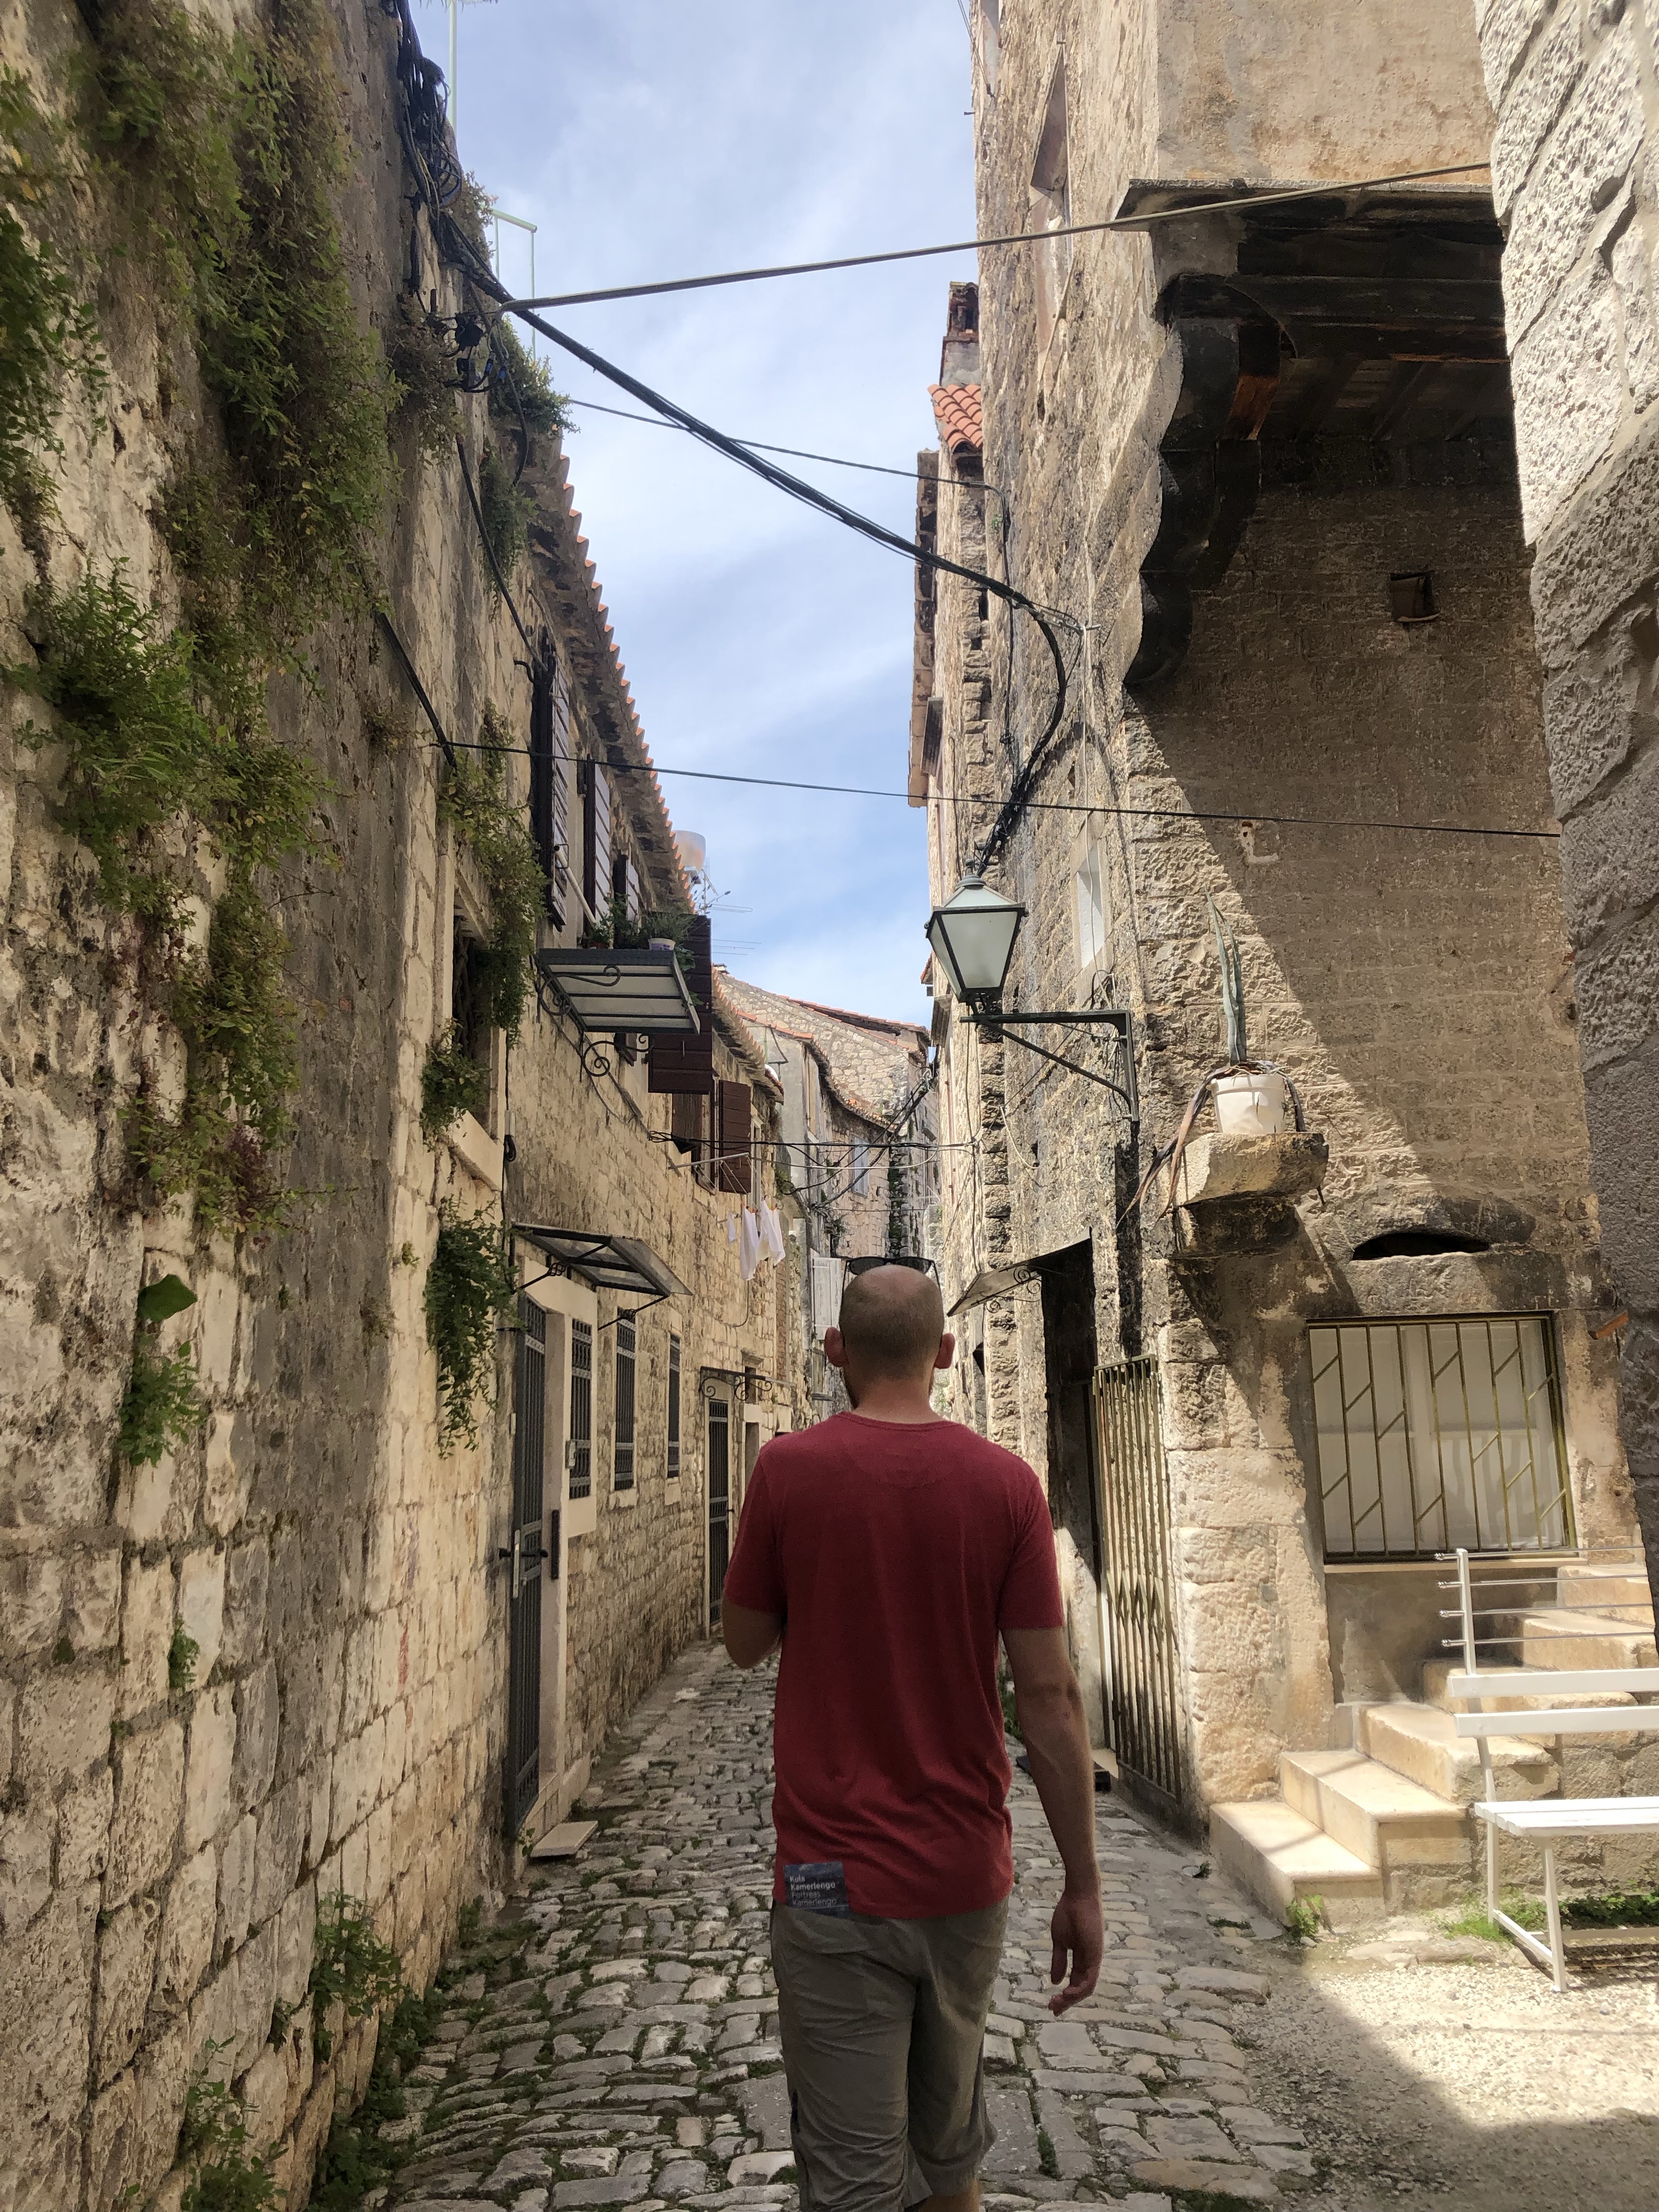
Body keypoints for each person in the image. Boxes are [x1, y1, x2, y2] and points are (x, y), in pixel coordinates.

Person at [721, 1263, 1104, 2212]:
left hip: (829, 1882)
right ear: (941, 1355)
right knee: (950, 2171)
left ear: (835, 1352)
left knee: (851, 2185)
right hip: (963, 1878)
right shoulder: (1008, 1487)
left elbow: (742, 1643)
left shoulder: (786, 1471)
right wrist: (1083, 1885)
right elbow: (1048, 1699)